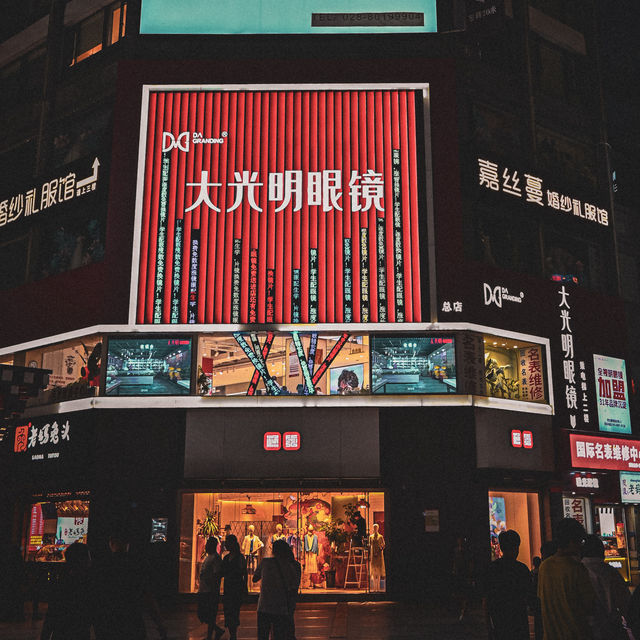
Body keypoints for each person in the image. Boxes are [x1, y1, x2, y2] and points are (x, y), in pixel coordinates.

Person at [92, 532, 167, 640]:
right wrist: (160, 624)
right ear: (128, 544)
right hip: (132, 621)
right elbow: (147, 597)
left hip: (108, 623)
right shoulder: (136, 565)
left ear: (111, 543)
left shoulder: (103, 566)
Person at [537, 518, 595, 640]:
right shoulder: (577, 569)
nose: (581, 545)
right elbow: (590, 605)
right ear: (571, 542)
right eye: (580, 541)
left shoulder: (544, 567)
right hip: (574, 634)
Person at [482, 529, 532, 640]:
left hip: (499, 623)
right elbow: (529, 598)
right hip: (519, 624)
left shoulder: (491, 569)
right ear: (516, 547)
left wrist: (489, 628)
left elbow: (486, 600)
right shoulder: (522, 569)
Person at [581, 534, 630, 640]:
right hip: (611, 628)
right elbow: (625, 603)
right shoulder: (610, 572)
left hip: (585, 629)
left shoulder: (576, 571)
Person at [40, 542, 93, 640]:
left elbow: (51, 614)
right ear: (81, 560)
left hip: (60, 633)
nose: (90, 560)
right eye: (88, 557)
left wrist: (45, 636)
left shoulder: (62, 582)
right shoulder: (88, 584)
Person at [253, 539, 300, 640]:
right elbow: (293, 584)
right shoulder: (288, 565)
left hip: (264, 606)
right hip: (280, 607)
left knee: (263, 635)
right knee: (279, 635)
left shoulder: (265, 562)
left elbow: (254, 578)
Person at [198, 537, 224, 640]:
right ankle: (217, 630)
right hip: (204, 590)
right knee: (203, 614)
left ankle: (210, 635)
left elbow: (217, 574)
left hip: (209, 591)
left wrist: (212, 587)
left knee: (209, 614)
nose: (206, 545)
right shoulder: (208, 557)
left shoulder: (215, 558)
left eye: (208, 544)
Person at [222, 534, 247, 640]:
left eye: (227, 542)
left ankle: (233, 633)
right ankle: (232, 632)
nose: (226, 544)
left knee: (234, 610)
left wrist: (245, 588)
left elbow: (244, 573)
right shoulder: (226, 557)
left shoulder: (239, 558)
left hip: (236, 588)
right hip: (228, 588)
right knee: (228, 610)